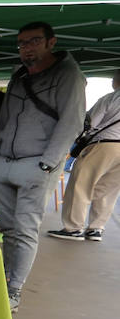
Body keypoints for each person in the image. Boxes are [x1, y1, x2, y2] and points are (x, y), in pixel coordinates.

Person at [0, 21, 87, 310]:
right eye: (21, 43)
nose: (26, 48)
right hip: (4, 162)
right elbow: (5, 116)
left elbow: (71, 123)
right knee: (8, 229)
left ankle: (13, 291)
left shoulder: (69, 75)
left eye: (33, 41)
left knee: (26, 228)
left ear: (50, 42)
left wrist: (47, 164)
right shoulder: (19, 75)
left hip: (36, 164)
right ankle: (2, 281)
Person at [49, 68, 120, 242]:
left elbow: (90, 123)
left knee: (80, 186)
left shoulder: (111, 99)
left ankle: (73, 228)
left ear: (117, 81)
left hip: (103, 146)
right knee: (108, 191)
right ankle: (96, 228)